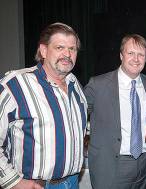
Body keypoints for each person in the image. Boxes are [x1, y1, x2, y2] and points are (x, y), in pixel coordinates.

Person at [0, 23, 87, 189]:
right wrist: (14, 182)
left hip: (73, 182)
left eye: (72, 49)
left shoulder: (75, 85)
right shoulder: (15, 85)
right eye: (60, 47)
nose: (67, 54)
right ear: (44, 50)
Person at [84, 34, 146, 189]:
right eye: (130, 53)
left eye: (141, 54)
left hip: (144, 162)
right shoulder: (98, 85)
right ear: (121, 55)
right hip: (112, 165)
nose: (136, 59)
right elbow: (76, 117)